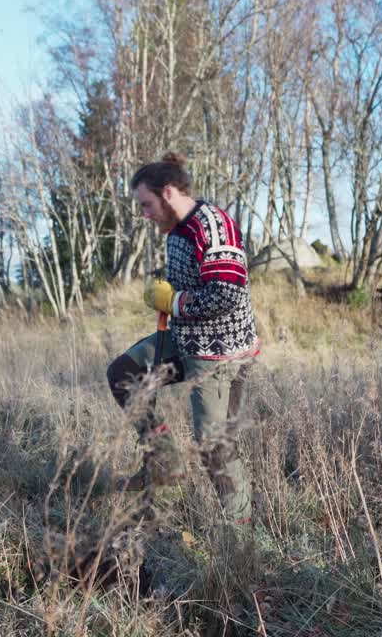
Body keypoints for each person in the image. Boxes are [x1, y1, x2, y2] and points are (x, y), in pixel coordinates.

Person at [106, 152, 260, 524]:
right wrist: (163, 283)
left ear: (169, 192)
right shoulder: (176, 230)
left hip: (222, 352)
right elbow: (193, 278)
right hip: (187, 338)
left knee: (215, 449)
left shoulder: (214, 225)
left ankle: (240, 536)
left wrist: (172, 300)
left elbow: (226, 294)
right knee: (125, 374)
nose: (144, 214)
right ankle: (164, 464)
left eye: (147, 204)